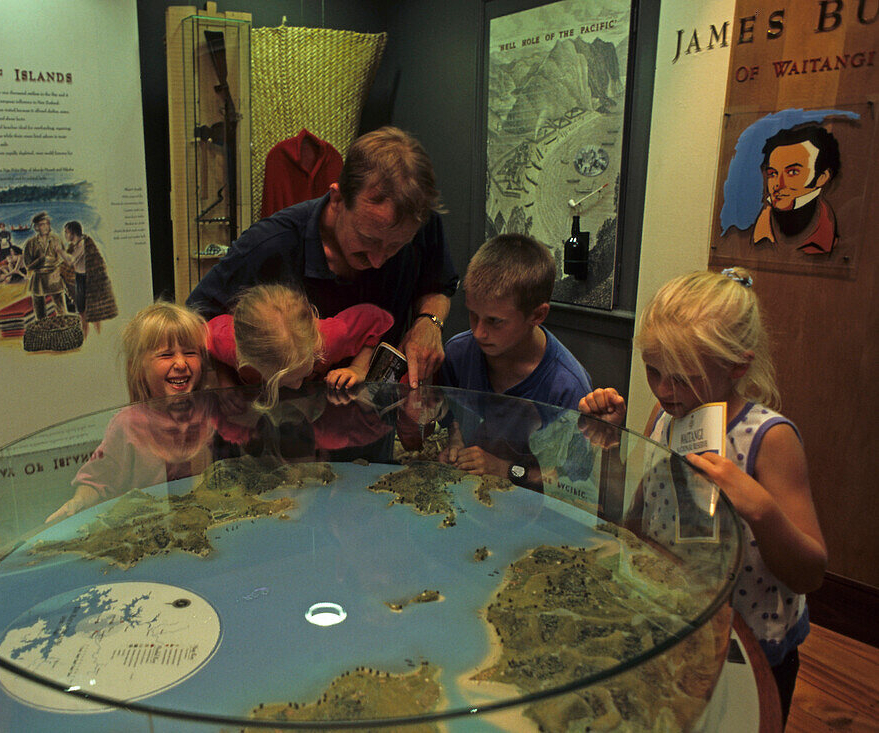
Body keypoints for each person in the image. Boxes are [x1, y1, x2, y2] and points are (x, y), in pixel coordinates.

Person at [578, 267, 827, 723]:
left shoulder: (769, 440)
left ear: (737, 366)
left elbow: (811, 571)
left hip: (750, 640)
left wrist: (761, 509)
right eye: (653, 371)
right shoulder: (663, 415)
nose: (664, 390)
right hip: (673, 624)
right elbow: (634, 523)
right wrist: (611, 448)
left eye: (683, 378)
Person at [187, 126, 458, 388]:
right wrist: (228, 390)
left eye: (395, 247)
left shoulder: (418, 220)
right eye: (368, 240)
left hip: (372, 411)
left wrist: (430, 322)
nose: (377, 261)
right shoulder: (269, 244)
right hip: (281, 415)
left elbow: (437, 282)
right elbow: (192, 321)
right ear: (337, 199)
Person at [46, 301, 212, 522]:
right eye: (166, 355)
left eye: (190, 353)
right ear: (139, 367)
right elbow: (97, 480)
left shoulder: (210, 413)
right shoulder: (127, 424)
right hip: (150, 530)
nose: (181, 363)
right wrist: (77, 503)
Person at [441, 233, 591, 408]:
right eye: (473, 314)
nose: (478, 332)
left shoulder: (569, 388)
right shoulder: (456, 355)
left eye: (494, 321)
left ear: (537, 315)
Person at [206, 284, 393, 408]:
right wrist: (226, 381)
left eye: (304, 374)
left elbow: (376, 319)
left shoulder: (332, 337)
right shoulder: (225, 341)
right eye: (286, 380)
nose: (296, 387)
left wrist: (358, 368)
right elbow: (206, 339)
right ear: (247, 359)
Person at [753, 124, 840, 254]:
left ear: (822, 177)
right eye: (773, 174)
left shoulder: (828, 234)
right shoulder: (756, 232)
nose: (778, 184)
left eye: (793, 172)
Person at [63, 220, 118, 338]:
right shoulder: (74, 245)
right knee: (81, 310)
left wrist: (58, 251)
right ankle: (85, 335)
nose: (65, 235)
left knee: (93, 311)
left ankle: (98, 335)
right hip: (79, 278)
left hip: (88, 280)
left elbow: (70, 261)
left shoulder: (83, 243)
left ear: (73, 232)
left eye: (67, 232)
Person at [22, 211, 70, 319]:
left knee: (60, 307)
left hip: (54, 275)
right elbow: (28, 266)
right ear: (36, 227)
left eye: (47, 224)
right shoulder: (31, 243)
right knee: (39, 309)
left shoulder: (56, 239)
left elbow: (62, 258)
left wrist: (58, 271)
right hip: (38, 277)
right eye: (42, 224)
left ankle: (63, 328)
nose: (46, 227)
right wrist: (40, 260)